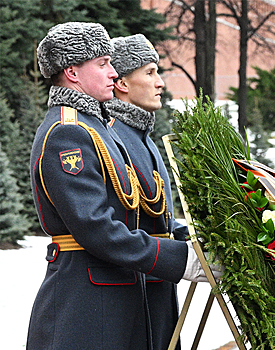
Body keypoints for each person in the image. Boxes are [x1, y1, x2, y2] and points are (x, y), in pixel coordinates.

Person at [28, 22, 206, 350]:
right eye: (102, 64)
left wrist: (196, 243)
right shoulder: (68, 132)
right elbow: (96, 228)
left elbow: (138, 213)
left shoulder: (97, 128)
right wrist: (181, 259)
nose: (113, 72)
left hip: (117, 295)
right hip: (86, 303)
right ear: (72, 72)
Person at [104, 33, 187, 350]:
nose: (160, 82)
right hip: (129, 288)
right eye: (150, 72)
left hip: (157, 287)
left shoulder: (142, 136)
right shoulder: (112, 136)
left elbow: (158, 217)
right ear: (122, 83)